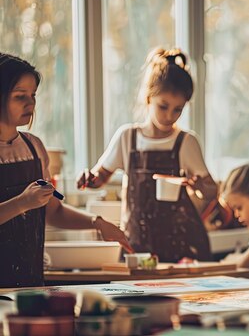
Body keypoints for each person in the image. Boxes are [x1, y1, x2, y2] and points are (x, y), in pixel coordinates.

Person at [0, 53, 132, 288]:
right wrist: (22, 203)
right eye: (20, 96)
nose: (30, 104)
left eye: (33, 96)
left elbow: (54, 211)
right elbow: (26, 205)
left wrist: (97, 222)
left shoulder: (34, 148)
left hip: (30, 283)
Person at [77, 48, 216, 262]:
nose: (170, 116)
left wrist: (199, 187)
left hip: (182, 249)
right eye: (164, 106)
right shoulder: (127, 137)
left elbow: (211, 191)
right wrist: (89, 179)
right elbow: (100, 178)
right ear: (148, 97)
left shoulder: (186, 142)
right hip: (136, 245)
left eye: (178, 109)